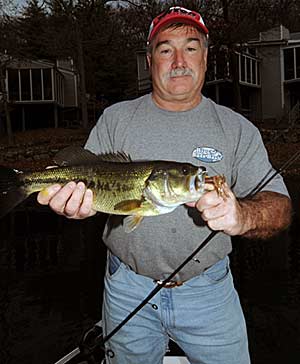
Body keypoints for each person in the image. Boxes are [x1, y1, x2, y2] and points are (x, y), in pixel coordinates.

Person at [37, 6, 292, 364]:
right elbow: (85, 188)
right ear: (149, 59)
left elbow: (280, 206)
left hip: (210, 293)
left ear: (205, 56)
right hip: (126, 288)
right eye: (165, 48)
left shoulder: (236, 129)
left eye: (190, 47)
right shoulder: (116, 118)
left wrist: (242, 217)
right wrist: (73, 208)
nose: (179, 61)